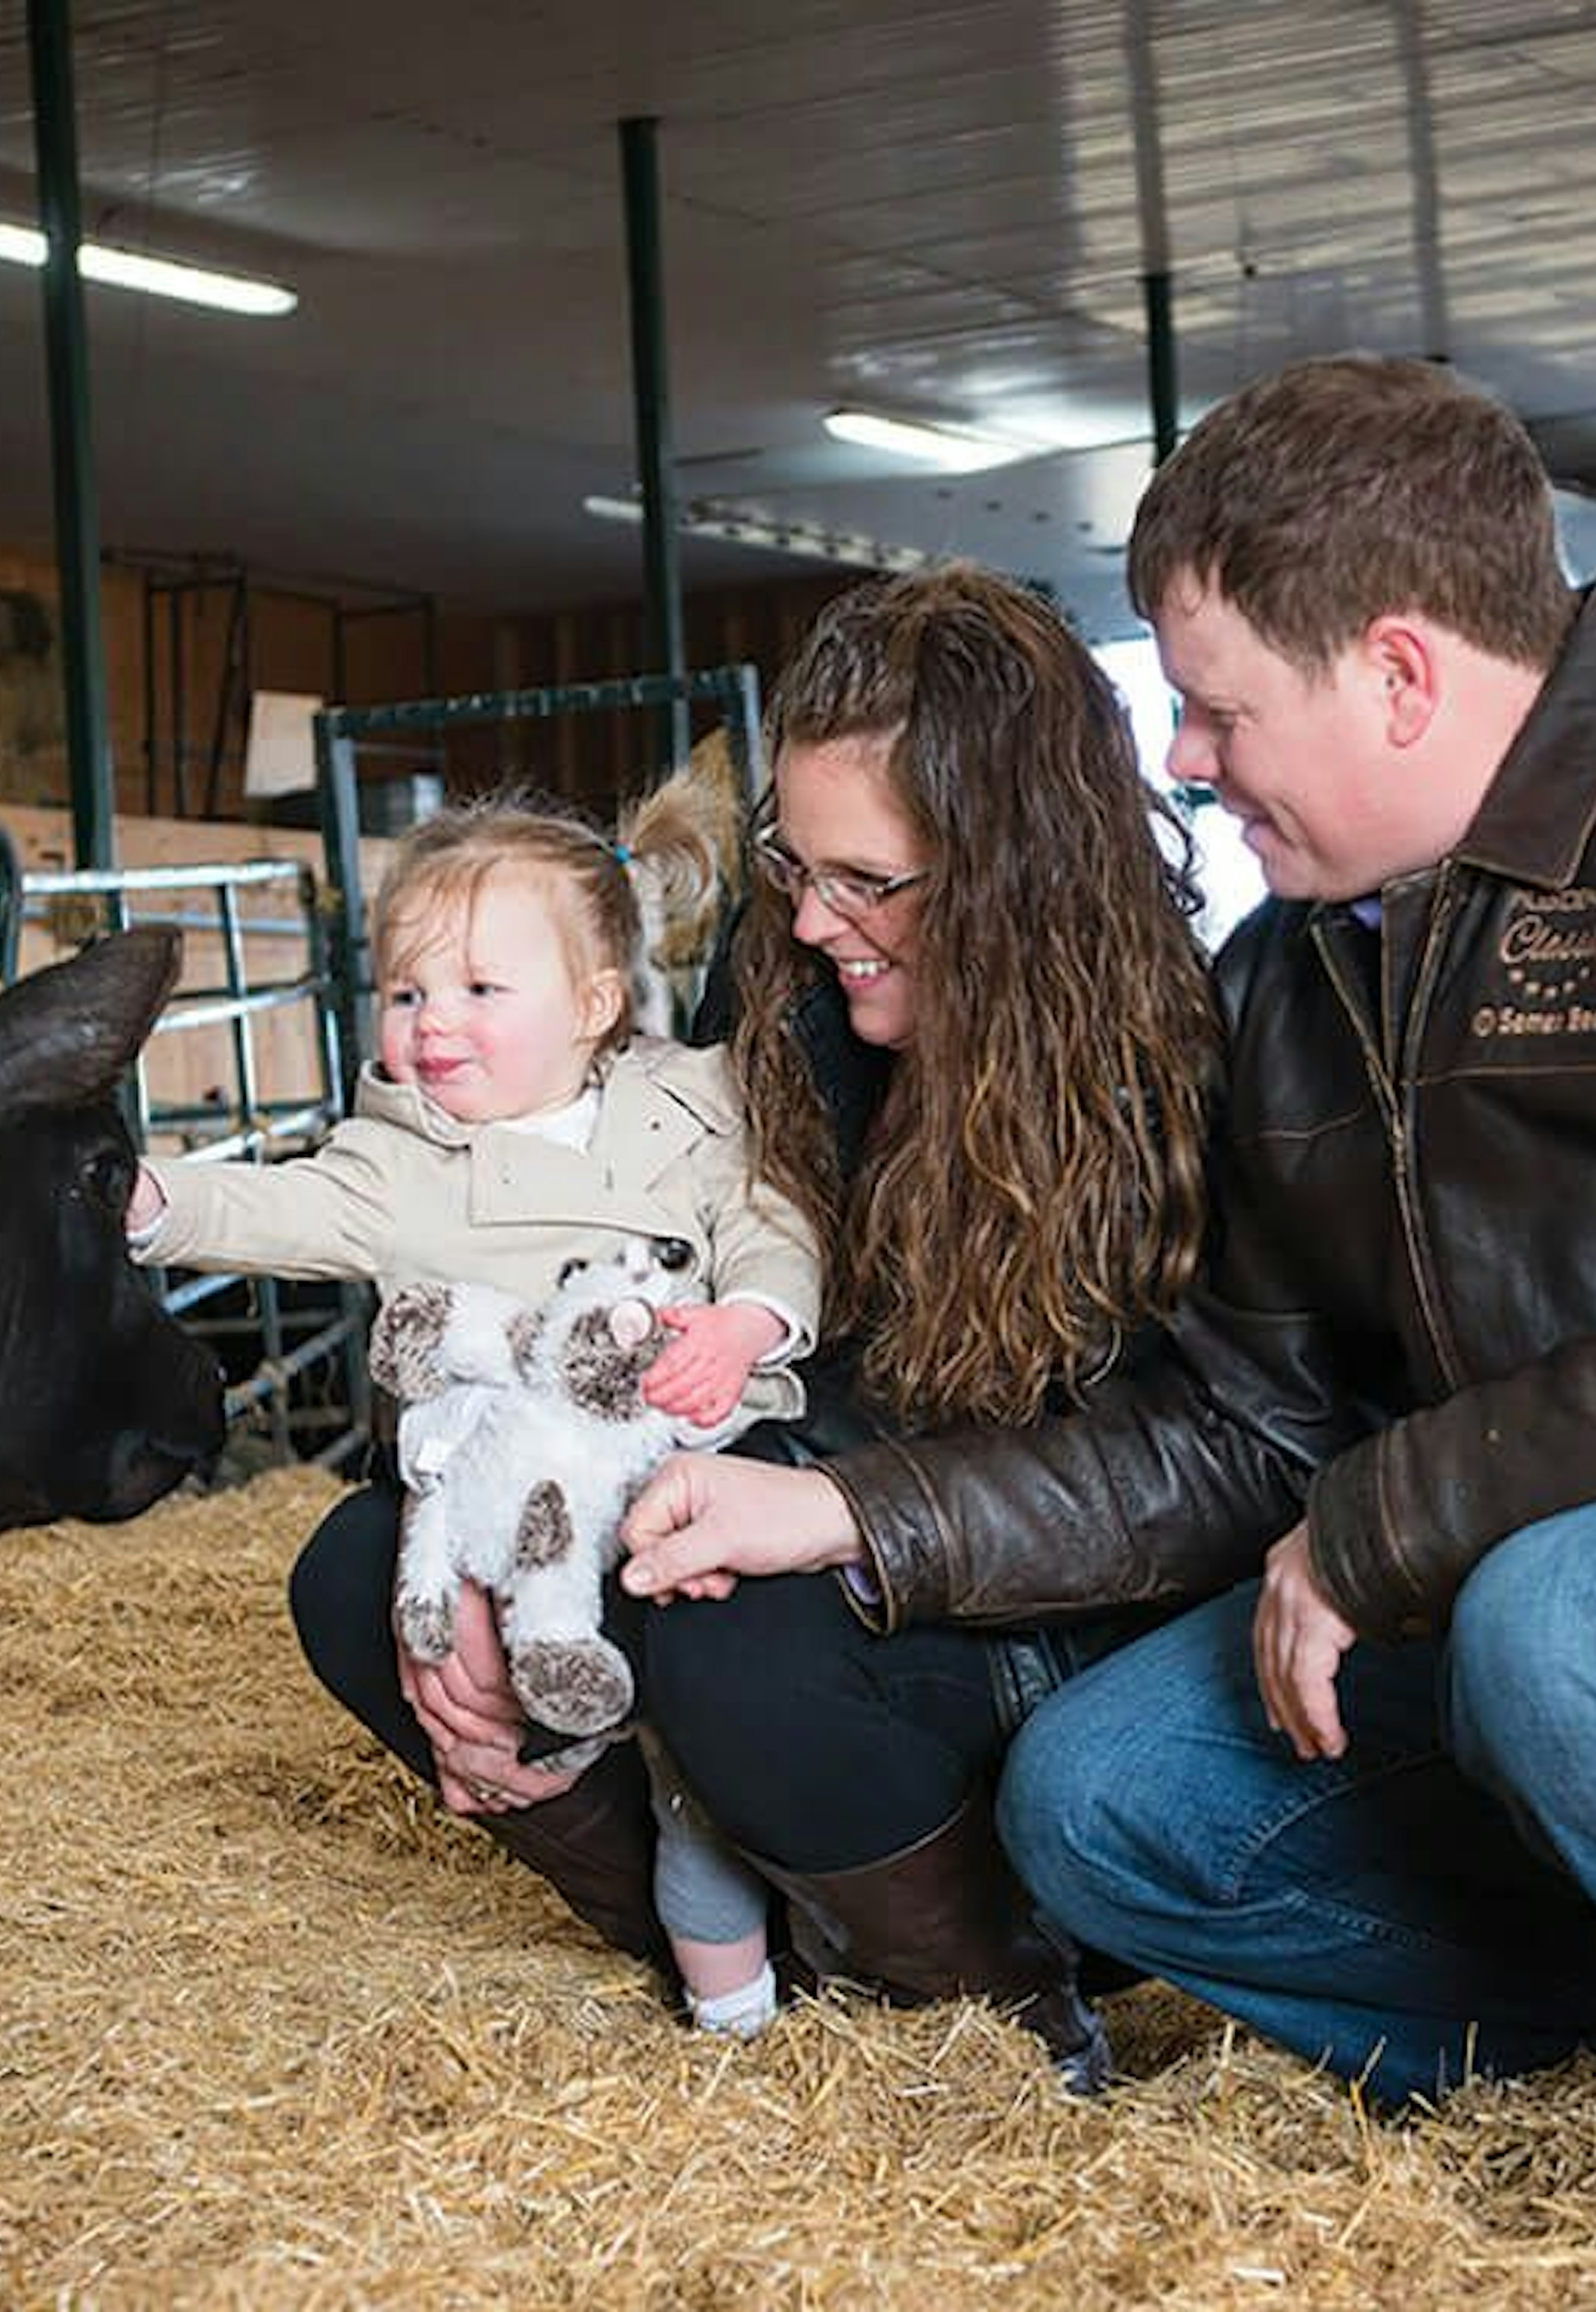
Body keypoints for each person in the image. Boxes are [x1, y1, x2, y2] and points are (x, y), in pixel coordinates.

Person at [621, 355, 1596, 2177]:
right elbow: (1242, 1426)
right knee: (1109, 1808)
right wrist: (865, 1521)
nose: (1185, 760)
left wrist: (1406, 1514)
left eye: (1213, 707)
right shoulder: (1299, 975)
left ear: (1400, 671)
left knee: (1573, 1618)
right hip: (1569, 1619)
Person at [290, 564, 1223, 2086]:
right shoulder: (796, 1017)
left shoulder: (1172, 1069)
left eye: (870, 882)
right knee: (363, 1571)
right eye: (797, 860)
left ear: (1013, 864)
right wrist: (501, 1535)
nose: (809, 914)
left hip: (1043, 1606)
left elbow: (1187, 1471)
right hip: (780, 1494)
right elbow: (637, 1317)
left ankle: (987, 1996)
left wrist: (836, 1510)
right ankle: (734, 1954)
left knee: (731, 1645)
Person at [131, 792, 819, 2041]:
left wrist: (749, 1326)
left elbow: (771, 1230)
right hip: (539, 1510)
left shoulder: (698, 1105)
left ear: (597, 1005)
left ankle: (813, 1944)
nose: (433, 1022)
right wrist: (136, 1199)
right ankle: (737, 2020)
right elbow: (267, 1211)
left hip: (701, 1466)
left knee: (717, 1738)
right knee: (653, 1771)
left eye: (479, 992)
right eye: (406, 994)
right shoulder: (396, 1164)